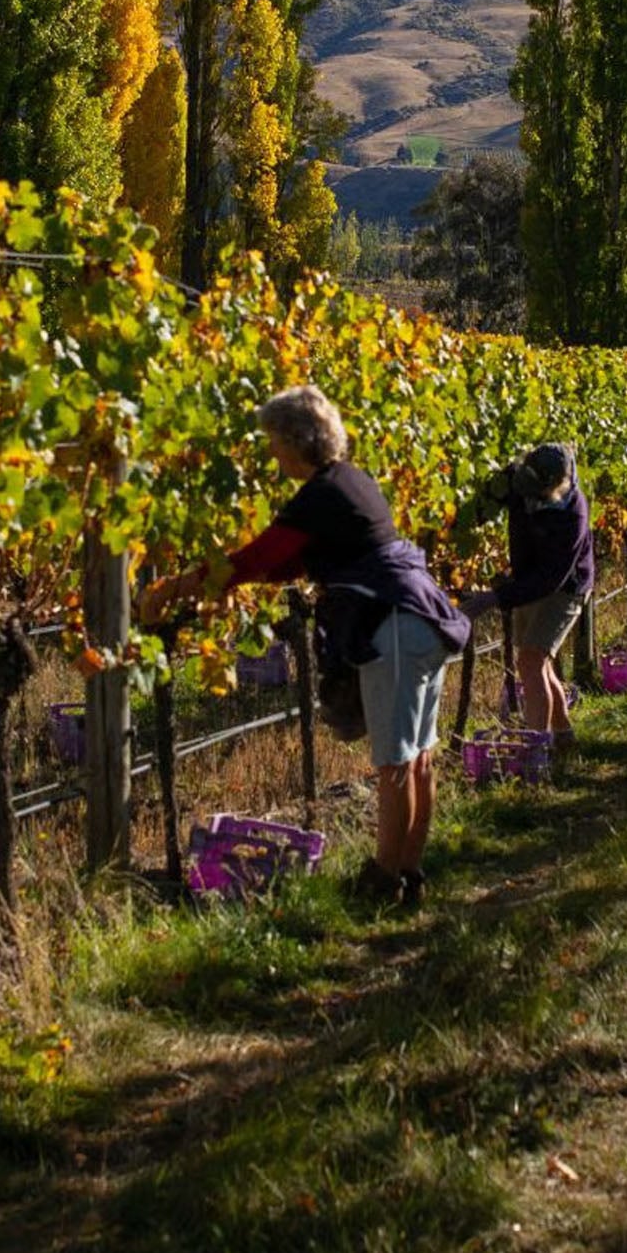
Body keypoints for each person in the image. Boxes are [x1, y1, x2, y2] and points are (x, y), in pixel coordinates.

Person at [137, 386, 469, 910]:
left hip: (394, 625)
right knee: (420, 758)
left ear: (298, 441)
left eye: (274, 442)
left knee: (396, 763)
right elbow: (289, 564)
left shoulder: (319, 495)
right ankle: (408, 873)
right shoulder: (351, 481)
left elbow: (254, 558)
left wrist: (177, 587)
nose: (272, 454)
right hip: (422, 618)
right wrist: (234, 585)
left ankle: (383, 881)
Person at [462, 444, 594, 760]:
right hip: (527, 580)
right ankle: (563, 737)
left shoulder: (572, 513)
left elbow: (551, 578)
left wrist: (496, 597)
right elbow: (483, 503)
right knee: (538, 664)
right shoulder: (519, 476)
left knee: (531, 662)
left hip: (565, 588)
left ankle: (536, 753)